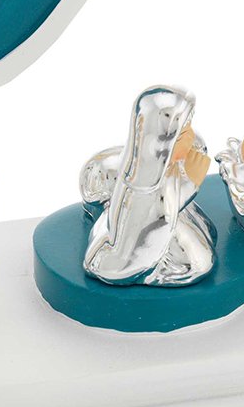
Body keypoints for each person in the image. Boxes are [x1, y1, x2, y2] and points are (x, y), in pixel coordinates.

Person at [82, 85, 216, 286]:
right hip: (142, 239)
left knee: (203, 240)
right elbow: (153, 216)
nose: (191, 137)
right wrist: (191, 183)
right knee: (198, 261)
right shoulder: (142, 182)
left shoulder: (173, 160)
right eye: (182, 134)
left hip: (171, 214)